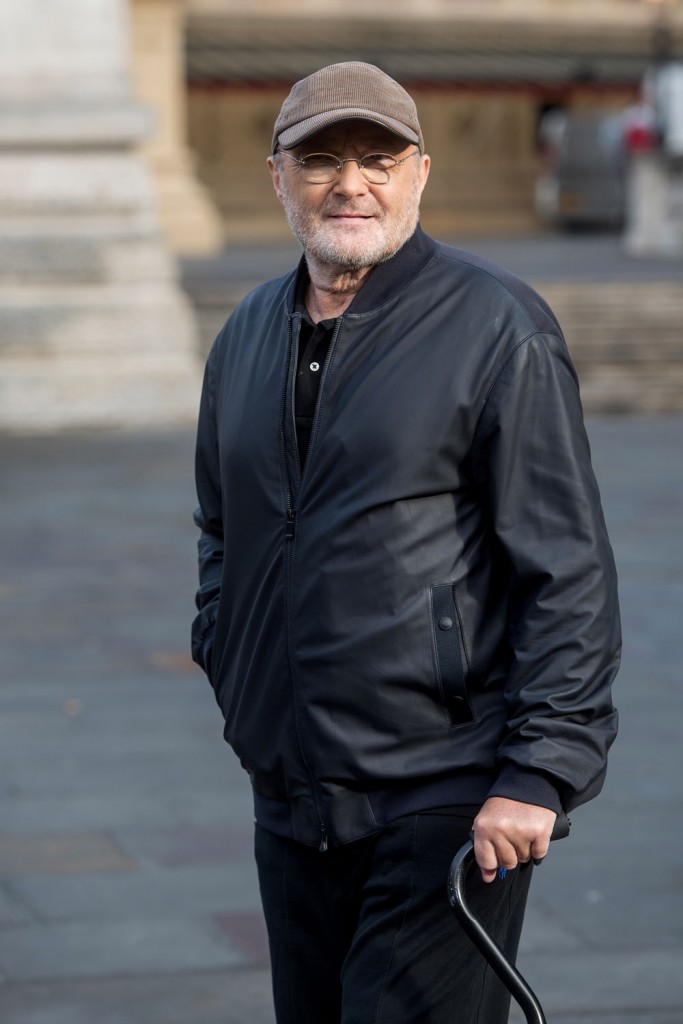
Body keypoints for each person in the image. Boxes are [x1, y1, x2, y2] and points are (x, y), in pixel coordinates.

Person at [192, 61, 620, 1024]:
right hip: (291, 798)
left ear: (420, 172)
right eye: (322, 161)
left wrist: (538, 771)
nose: (352, 183)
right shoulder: (245, 334)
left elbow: (566, 567)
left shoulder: (496, 326)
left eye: (377, 159)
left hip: (450, 795)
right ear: (277, 178)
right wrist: (233, 668)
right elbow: (222, 532)